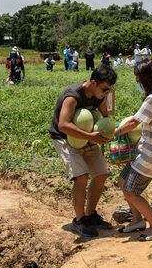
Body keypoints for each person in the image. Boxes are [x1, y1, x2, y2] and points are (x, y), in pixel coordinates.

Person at [49, 65, 117, 238]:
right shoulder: (72, 96)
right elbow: (63, 125)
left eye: (109, 89)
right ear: (93, 82)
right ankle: (79, 220)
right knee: (81, 177)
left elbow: (106, 118)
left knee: (101, 173)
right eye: (104, 89)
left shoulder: (99, 96)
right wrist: (90, 136)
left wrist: (108, 132)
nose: (106, 92)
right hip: (65, 137)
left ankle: (91, 214)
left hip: (88, 136)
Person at [116, 58, 152, 241]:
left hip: (149, 155)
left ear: (146, 79)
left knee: (131, 192)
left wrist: (114, 133)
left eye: (138, 77)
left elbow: (134, 122)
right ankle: (137, 220)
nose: (137, 80)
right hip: (144, 151)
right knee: (123, 183)